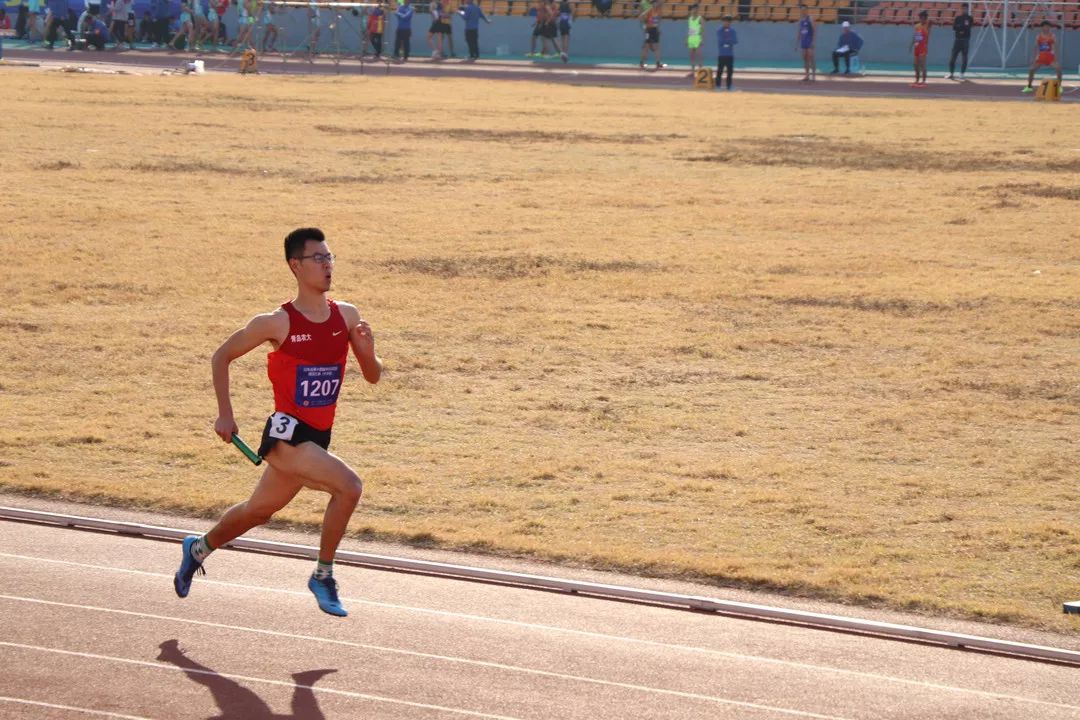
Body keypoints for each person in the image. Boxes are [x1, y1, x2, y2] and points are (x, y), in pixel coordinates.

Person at [176, 227, 382, 618]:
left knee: (257, 512)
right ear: (296, 265)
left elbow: (373, 376)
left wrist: (368, 353)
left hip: (317, 438)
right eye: (318, 259)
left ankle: (198, 548)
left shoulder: (347, 315)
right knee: (350, 487)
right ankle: (322, 575)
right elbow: (221, 357)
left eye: (330, 257)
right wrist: (225, 413)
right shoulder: (276, 323)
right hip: (287, 436)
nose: (327, 265)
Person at [1023, 20, 1062, 93]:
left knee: (1059, 69)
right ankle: (1029, 86)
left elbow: (1055, 47)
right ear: (1042, 27)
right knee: (1031, 70)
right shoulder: (1038, 36)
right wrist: (1034, 58)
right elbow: (1035, 47)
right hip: (1041, 57)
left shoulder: (1052, 36)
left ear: (1049, 27)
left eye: (1048, 26)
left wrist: (1056, 57)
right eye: (1044, 26)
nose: (1046, 28)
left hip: (1050, 57)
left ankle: (1059, 87)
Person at [948, 4, 972, 80]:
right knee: (952, 58)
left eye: (966, 8)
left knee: (964, 57)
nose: (964, 10)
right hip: (957, 40)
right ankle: (951, 73)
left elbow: (968, 28)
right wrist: (961, 28)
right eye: (963, 8)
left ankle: (962, 74)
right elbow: (954, 27)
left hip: (965, 40)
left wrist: (960, 28)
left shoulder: (970, 18)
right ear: (961, 9)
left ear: (968, 9)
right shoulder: (957, 18)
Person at [638, 0, 663, 70]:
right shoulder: (649, 10)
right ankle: (642, 63)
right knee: (646, 47)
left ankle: (658, 63)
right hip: (649, 31)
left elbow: (657, 21)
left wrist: (658, 29)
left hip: (655, 30)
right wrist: (645, 26)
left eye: (656, 2)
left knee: (657, 47)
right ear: (652, 4)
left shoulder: (658, 11)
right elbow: (641, 17)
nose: (656, 4)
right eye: (654, 3)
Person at [715, 14, 736, 90]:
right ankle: (718, 86)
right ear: (723, 22)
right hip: (721, 54)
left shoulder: (733, 31)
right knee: (719, 71)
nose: (727, 23)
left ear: (730, 23)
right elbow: (720, 41)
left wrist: (726, 42)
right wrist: (728, 41)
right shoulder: (719, 30)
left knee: (730, 71)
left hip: (730, 55)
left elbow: (735, 41)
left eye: (728, 22)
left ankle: (729, 86)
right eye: (725, 21)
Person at [795, 3, 815, 81]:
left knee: (811, 58)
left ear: (807, 10)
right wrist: (796, 44)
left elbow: (814, 30)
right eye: (801, 10)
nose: (802, 11)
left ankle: (813, 75)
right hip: (803, 42)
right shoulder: (801, 20)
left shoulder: (810, 18)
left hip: (809, 41)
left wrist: (813, 42)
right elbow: (799, 32)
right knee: (805, 58)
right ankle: (807, 75)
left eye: (803, 10)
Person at [910, 9, 929, 88]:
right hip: (916, 47)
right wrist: (911, 45)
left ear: (925, 18)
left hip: (923, 48)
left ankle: (923, 81)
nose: (922, 19)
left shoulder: (928, 25)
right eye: (921, 17)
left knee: (922, 65)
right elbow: (915, 36)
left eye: (923, 17)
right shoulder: (917, 26)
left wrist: (926, 13)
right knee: (915, 65)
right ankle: (917, 80)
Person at [686, 2, 702, 74]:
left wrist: (702, 39)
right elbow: (689, 29)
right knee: (691, 55)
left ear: (698, 9)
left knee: (698, 54)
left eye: (696, 9)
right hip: (691, 39)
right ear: (691, 10)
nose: (694, 10)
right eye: (693, 9)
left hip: (697, 38)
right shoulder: (689, 19)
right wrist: (687, 39)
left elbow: (703, 30)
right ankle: (692, 70)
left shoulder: (700, 18)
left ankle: (700, 70)